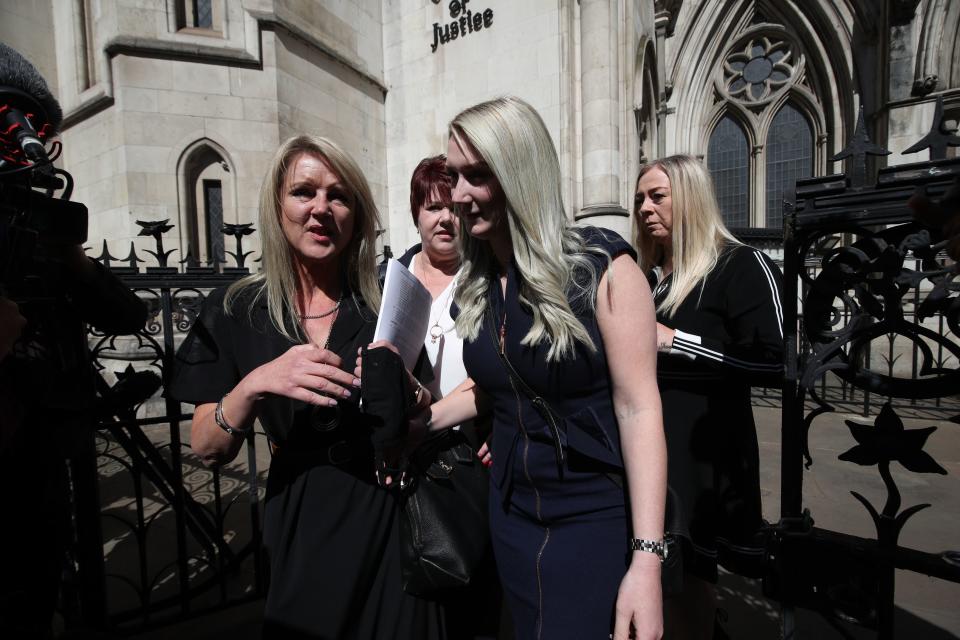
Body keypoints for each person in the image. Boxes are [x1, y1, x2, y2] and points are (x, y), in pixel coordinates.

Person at [411, 96, 667, 640]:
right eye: (454, 176)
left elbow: (639, 409)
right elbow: (492, 384)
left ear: (518, 171)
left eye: (475, 176)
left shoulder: (604, 269)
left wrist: (647, 561)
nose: (457, 195)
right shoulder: (478, 284)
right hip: (510, 515)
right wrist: (423, 423)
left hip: (591, 519)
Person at [169, 135, 444, 639]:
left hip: (388, 515)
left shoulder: (385, 301)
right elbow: (208, 447)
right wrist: (257, 383)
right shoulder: (236, 308)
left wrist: (415, 401)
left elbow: (424, 413)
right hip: (302, 515)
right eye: (304, 192)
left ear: (355, 216)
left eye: (338, 196)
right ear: (277, 205)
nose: (321, 208)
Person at [633, 155, 784, 639]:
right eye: (639, 199)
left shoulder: (740, 264)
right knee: (655, 574)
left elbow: (775, 362)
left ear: (690, 197)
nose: (644, 208)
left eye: (657, 196)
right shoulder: (648, 279)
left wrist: (675, 341)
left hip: (705, 452)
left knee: (691, 577)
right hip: (648, 448)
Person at [392, 154, 504, 638]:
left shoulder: (489, 279)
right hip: (406, 463)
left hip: (473, 457)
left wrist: (504, 420)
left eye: (452, 208)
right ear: (415, 213)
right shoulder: (389, 280)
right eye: (430, 207)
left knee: (476, 589)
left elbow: (506, 370)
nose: (444, 219)